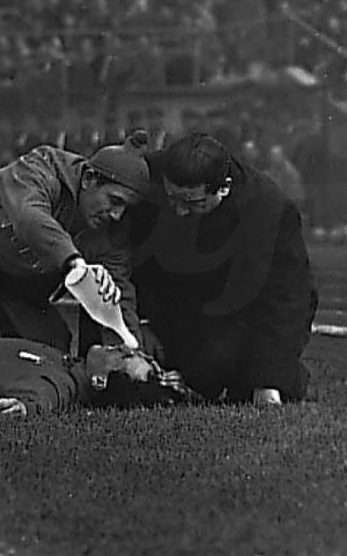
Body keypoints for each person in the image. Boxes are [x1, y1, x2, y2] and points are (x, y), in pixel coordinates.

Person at [0, 133, 152, 355]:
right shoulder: (41, 167)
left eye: (125, 208)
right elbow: (29, 217)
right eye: (114, 201)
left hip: (15, 289)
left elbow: (118, 295)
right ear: (89, 179)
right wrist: (74, 262)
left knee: (55, 347)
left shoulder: (112, 232)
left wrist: (133, 351)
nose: (117, 215)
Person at [129, 132, 319, 405]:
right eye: (172, 199)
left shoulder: (267, 210)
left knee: (228, 361)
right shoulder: (146, 175)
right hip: (166, 305)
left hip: (231, 320)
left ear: (224, 188)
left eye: (193, 203)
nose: (180, 211)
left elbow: (289, 297)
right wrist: (139, 324)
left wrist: (268, 379)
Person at [0, 338, 203, 416]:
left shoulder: (63, 381)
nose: (122, 348)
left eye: (124, 358)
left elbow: (49, 394)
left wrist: (26, 408)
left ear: (99, 381)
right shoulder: (65, 363)